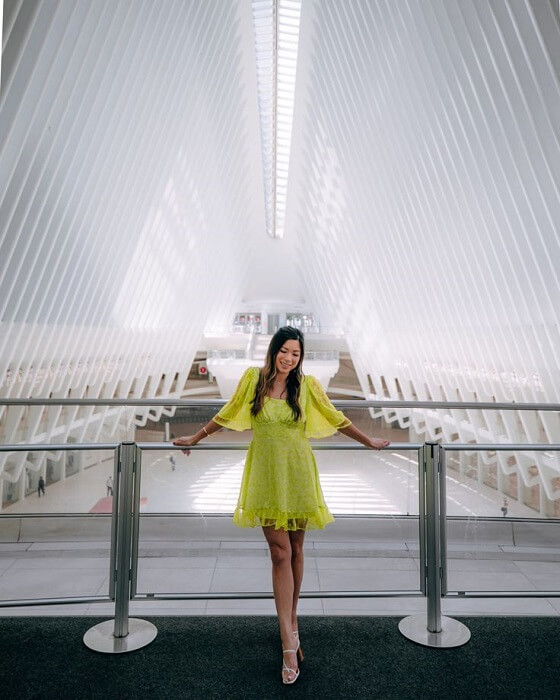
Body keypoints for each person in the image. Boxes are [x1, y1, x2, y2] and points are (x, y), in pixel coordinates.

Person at [174, 327, 390, 685]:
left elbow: (335, 417)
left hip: (298, 472)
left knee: (297, 548)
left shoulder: (306, 387)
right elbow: (228, 413)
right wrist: (195, 437)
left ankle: (291, 620)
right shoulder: (252, 380)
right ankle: (289, 640)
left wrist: (368, 441)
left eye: (296, 353)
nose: (290, 358)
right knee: (279, 553)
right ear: (274, 351)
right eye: (285, 351)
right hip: (265, 475)